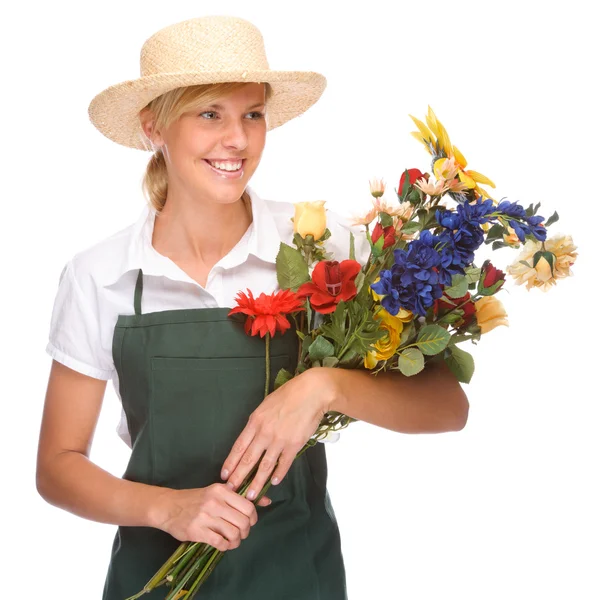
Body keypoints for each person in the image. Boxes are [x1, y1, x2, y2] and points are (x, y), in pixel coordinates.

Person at [36, 15, 469, 600]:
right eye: (210, 113)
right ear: (152, 127)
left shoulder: (322, 247)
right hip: (155, 583)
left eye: (253, 115)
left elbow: (447, 405)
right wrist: (170, 510)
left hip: (297, 576)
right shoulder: (101, 276)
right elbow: (58, 465)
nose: (237, 140)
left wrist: (325, 387)